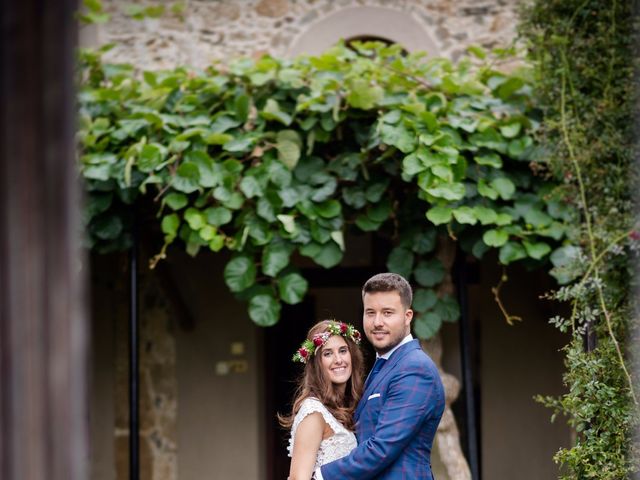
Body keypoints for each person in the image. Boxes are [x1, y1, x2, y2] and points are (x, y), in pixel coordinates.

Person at [317, 272, 445, 480]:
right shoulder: (385, 365)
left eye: (387, 313)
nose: (377, 322)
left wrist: (319, 475)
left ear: (407, 317)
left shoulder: (415, 369)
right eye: (370, 313)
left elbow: (382, 447)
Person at [279, 320, 365, 480]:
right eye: (328, 353)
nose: (338, 359)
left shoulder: (345, 407)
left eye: (343, 350)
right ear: (317, 364)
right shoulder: (314, 413)